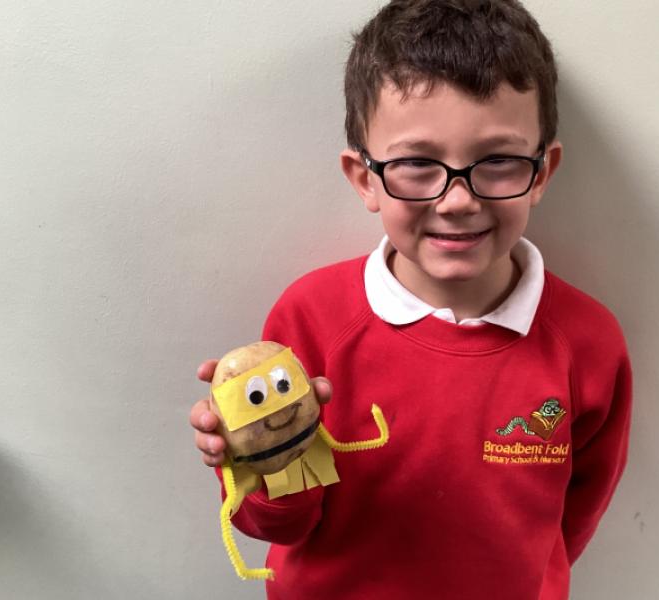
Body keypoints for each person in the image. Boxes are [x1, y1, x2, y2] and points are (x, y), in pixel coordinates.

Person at [189, 1, 632, 598]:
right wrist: (263, 464)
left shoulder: (589, 343)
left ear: (542, 171)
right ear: (365, 178)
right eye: (417, 164)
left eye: (499, 161)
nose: (458, 200)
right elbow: (278, 527)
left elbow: (574, 516)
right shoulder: (310, 318)